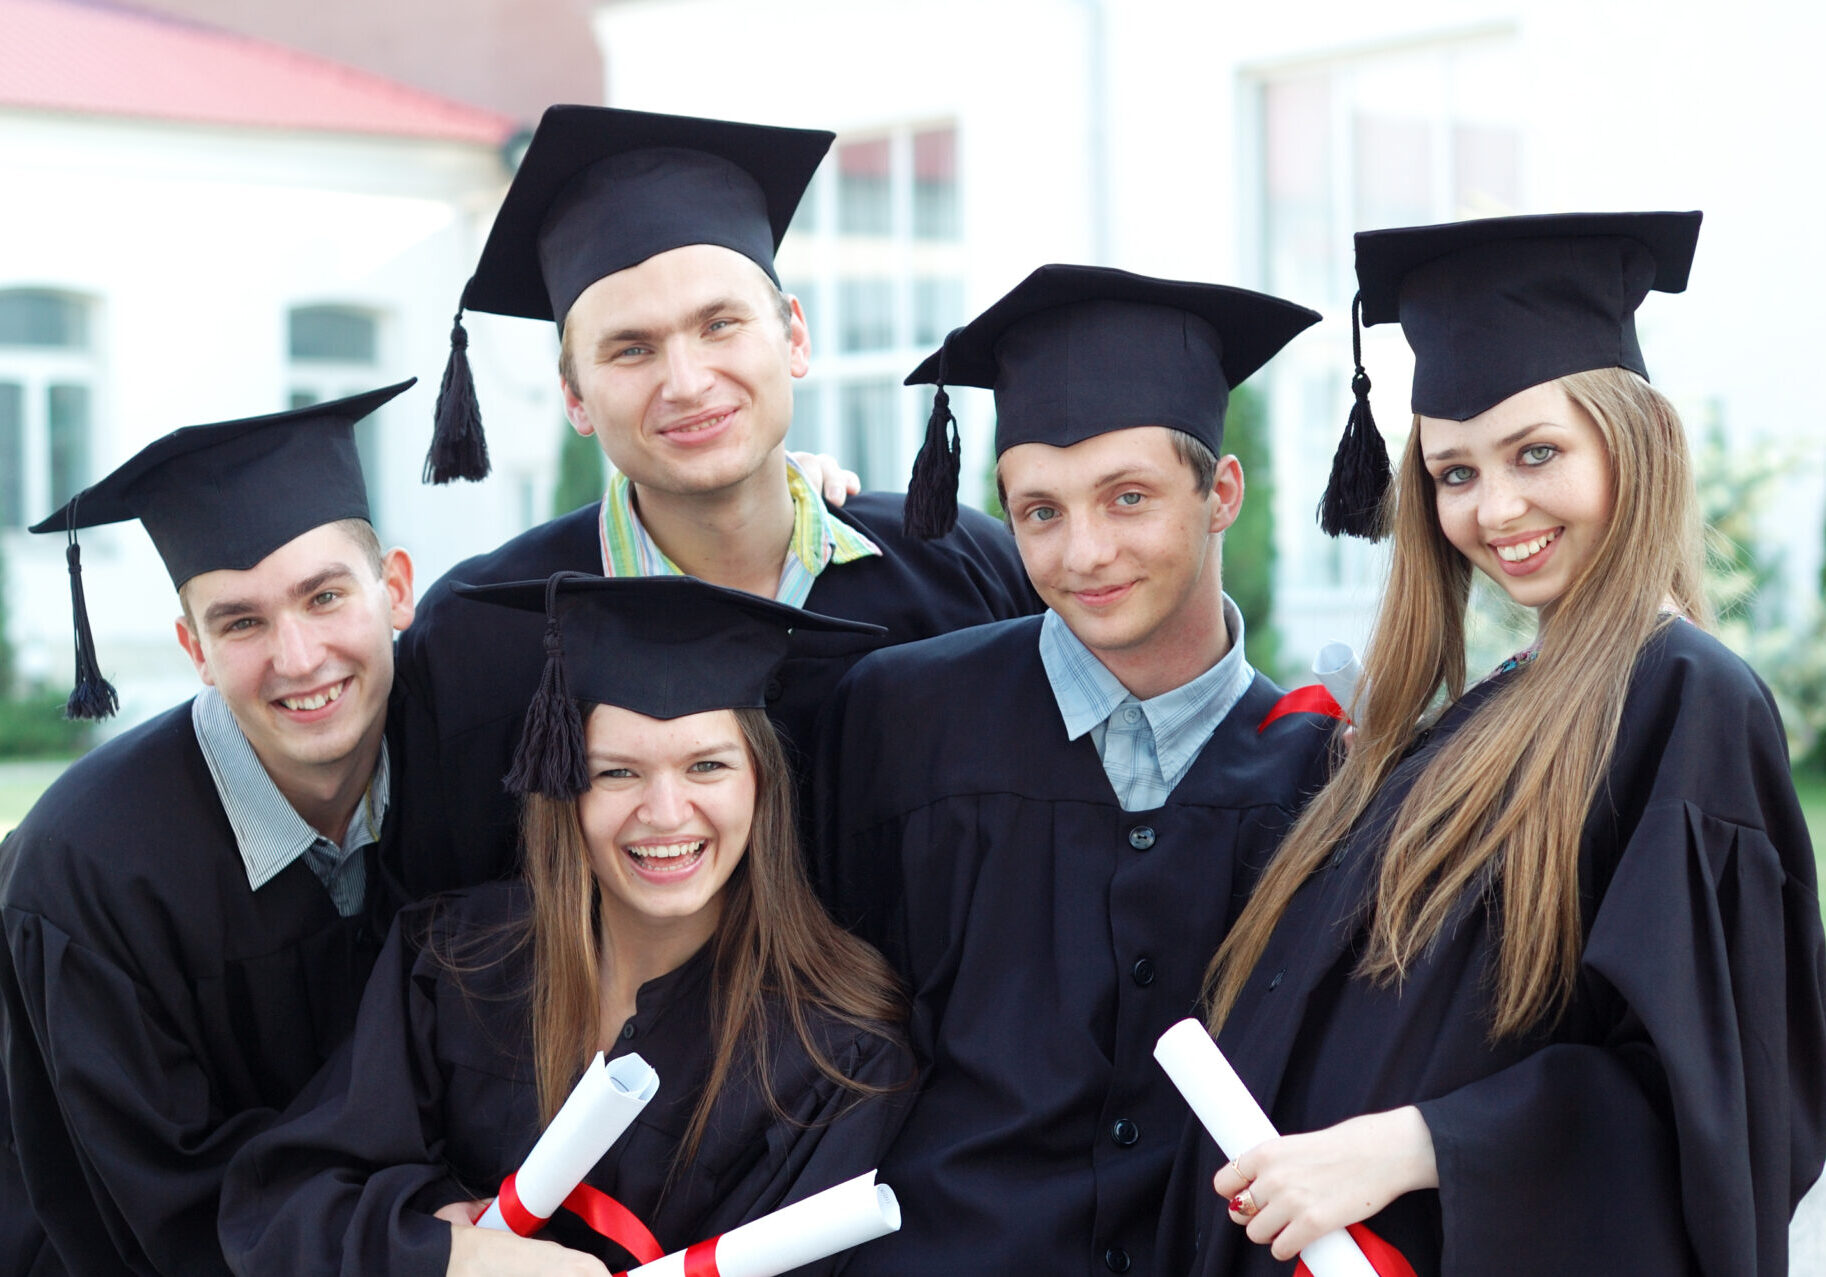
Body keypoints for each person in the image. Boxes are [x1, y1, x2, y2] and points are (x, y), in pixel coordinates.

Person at [1163, 211, 1826, 1276]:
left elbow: (1705, 1103)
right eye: (1454, 471)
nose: (1494, 506)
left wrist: (1406, 1147)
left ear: (1635, 438)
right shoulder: (1485, 710)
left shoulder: (1684, 698)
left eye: (1535, 452)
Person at [815, 264, 1337, 1276]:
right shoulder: (899, 717)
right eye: (1039, 511)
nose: (1083, 551)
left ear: (1219, 492)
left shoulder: (1320, 770)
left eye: (1127, 497)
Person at [394, 106, 1037, 898]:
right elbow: (436, 937)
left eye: (720, 324)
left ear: (794, 336)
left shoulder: (963, 577)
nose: (688, 382)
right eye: (632, 348)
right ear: (574, 396)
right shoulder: (482, 636)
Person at [220, 574, 913, 1276]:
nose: (667, 813)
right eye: (617, 773)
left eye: (707, 765)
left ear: (761, 784)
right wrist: (449, 1255)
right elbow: (286, 1208)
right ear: (565, 787)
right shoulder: (455, 967)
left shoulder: (837, 1058)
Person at [0, 383, 420, 1275]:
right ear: (194, 650)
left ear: (396, 591)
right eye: (242, 621)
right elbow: (155, 1214)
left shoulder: (462, 766)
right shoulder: (86, 877)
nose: (297, 657)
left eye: (324, 597)